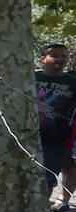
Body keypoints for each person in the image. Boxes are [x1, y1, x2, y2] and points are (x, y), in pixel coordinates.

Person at [36, 43, 76, 195]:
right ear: (43, 59)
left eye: (64, 56)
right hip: (27, 134)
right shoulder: (32, 78)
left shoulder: (72, 83)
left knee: (47, 180)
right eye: (55, 55)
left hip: (56, 139)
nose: (60, 59)